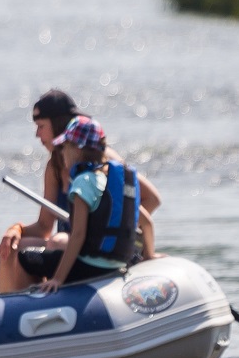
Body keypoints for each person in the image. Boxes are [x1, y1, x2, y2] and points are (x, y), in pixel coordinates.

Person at [36, 116, 156, 293]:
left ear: (77, 149)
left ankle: (32, 304)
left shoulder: (84, 182)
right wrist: (149, 256)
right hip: (118, 263)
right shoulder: (113, 184)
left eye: (64, 147)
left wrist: (57, 279)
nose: (62, 153)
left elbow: (77, 235)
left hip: (90, 266)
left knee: (26, 259)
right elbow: (147, 224)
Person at [0, 90, 78, 292]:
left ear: (58, 125)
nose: (37, 135)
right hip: (61, 245)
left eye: (41, 127)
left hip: (85, 244)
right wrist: (15, 230)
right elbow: (44, 225)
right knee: (12, 246)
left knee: (57, 242)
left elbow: (149, 199)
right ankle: (10, 306)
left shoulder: (92, 161)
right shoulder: (54, 167)